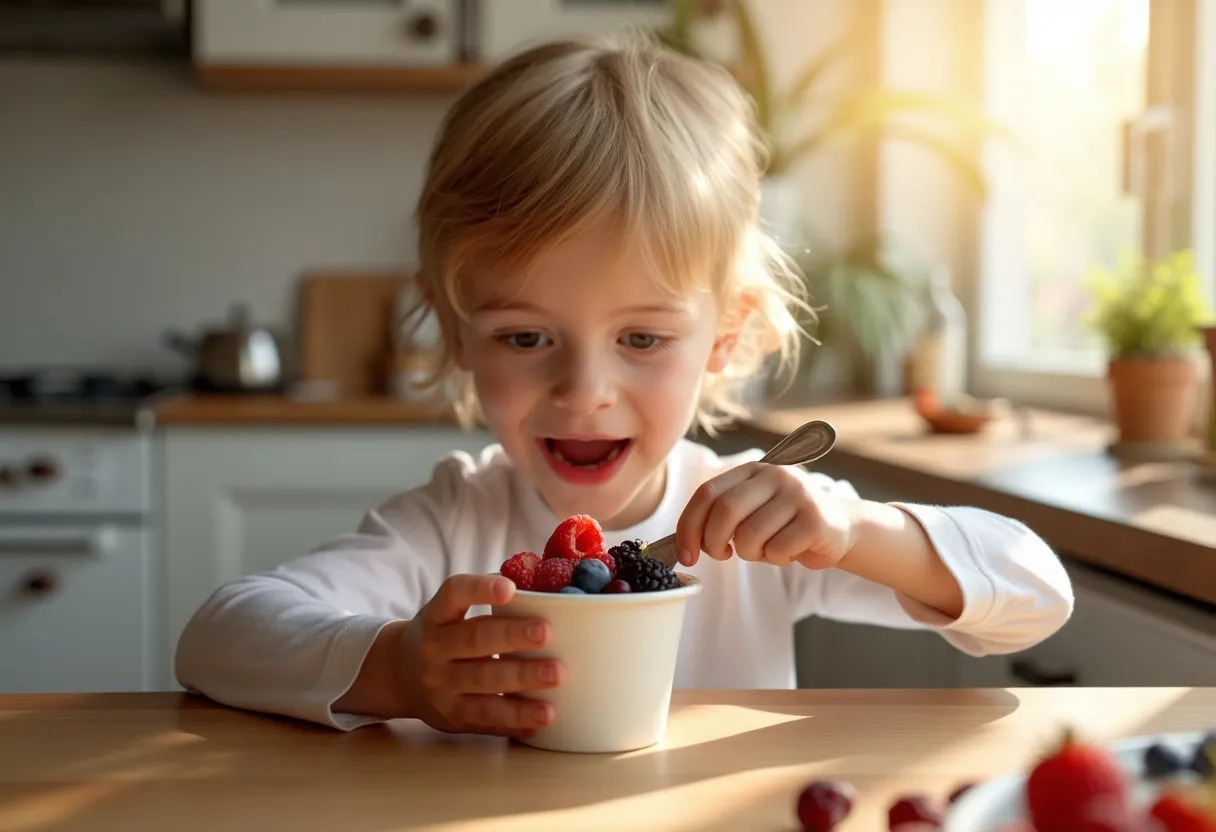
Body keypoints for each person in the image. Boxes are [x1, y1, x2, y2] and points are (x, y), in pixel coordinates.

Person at [176, 35, 1073, 738]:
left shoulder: (755, 521)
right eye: (526, 337)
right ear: (455, 336)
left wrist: (854, 532)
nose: (584, 389)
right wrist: (401, 670)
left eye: (642, 337)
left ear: (726, 337)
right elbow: (218, 635)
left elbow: (1035, 596)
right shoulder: (454, 523)